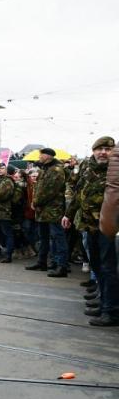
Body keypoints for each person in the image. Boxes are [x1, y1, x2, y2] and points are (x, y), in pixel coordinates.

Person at [63, 137, 117, 325]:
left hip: (108, 227)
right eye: (99, 149)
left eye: (107, 149)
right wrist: (68, 214)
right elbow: (78, 193)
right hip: (89, 225)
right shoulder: (88, 168)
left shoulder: (115, 171)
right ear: (93, 151)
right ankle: (103, 302)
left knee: (109, 269)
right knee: (97, 265)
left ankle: (112, 311)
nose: (103, 152)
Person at [28, 148, 69, 277]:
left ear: (48, 156)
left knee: (58, 237)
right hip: (43, 210)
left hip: (53, 209)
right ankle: (42, 262)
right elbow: (39, 188)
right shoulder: (45, 169)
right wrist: (35, 201)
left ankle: (62, 266)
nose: (39, 157)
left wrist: (35, 202)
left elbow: (49, 191)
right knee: (43, 237)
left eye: (41, 155)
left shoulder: (56, 170)